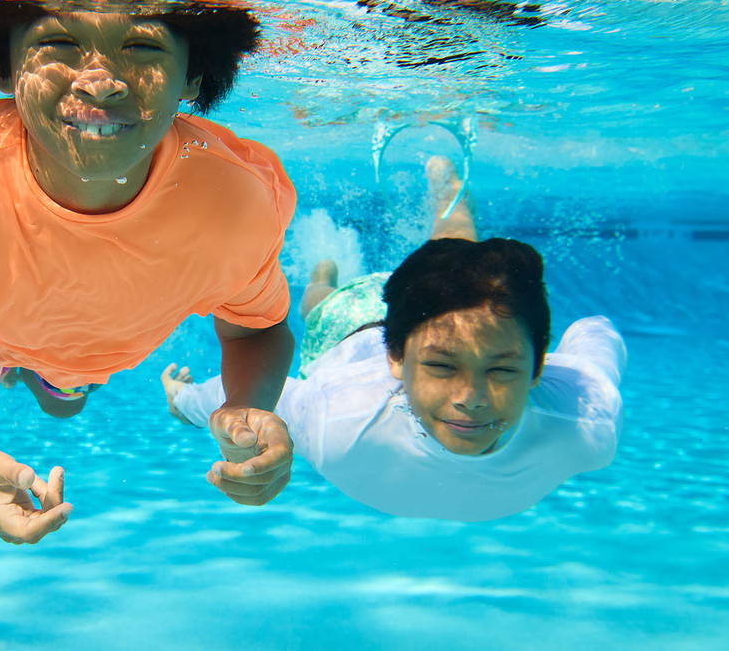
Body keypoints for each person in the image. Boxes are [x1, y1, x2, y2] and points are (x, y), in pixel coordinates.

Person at [0, 0, 297, 544]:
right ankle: (0, 356)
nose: (99, 81)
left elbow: (257, 329)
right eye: (57, 42)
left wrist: (244, 410)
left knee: (62, 407)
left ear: (192, 77)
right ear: (8, 68)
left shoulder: (236, 198)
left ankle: (33, 372)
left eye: (142, 45)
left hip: (86, 355)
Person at [163, 157, 625, 521]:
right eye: (443, 367)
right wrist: (183, 401)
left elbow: (596, 335)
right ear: (396, 361)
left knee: (464, 263)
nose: (471, 398)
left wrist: (184, 401)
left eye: (502, 369)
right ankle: (328, 267)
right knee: (318, 300)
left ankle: (440, 184)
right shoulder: (338, 422)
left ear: (537, 368)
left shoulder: (587, 425)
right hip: (348, 330)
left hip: (416, 324)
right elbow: (245, 406)